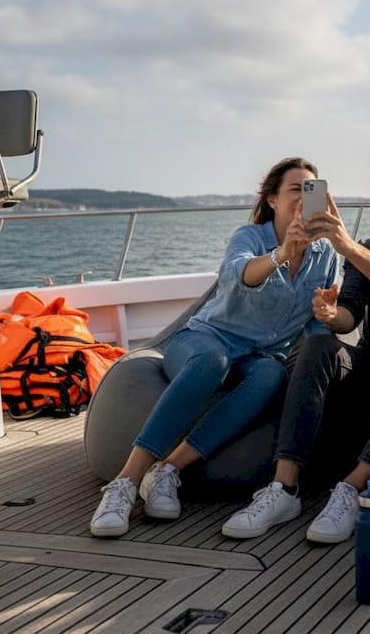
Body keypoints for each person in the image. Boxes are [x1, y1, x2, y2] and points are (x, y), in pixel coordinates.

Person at [220, 149, 370, 541]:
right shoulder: (369, 245)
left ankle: (351, 488)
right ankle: (284, 488)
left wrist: (347, 246)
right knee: (319, 344)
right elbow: (350, 311)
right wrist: (331, 315)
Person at [89, 158, 338, 538]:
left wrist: (329, 312)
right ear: (272, 199)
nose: (304, 198)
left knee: (272, 373)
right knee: (211, 361)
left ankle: (169, 469)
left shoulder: (327, 257)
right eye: (295, 189)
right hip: (204, 340)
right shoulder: (250, 237)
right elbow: (237, 275)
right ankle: (125, 482)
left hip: (259, 357)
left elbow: (320, 326)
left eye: (312, 190)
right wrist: (282, 253)